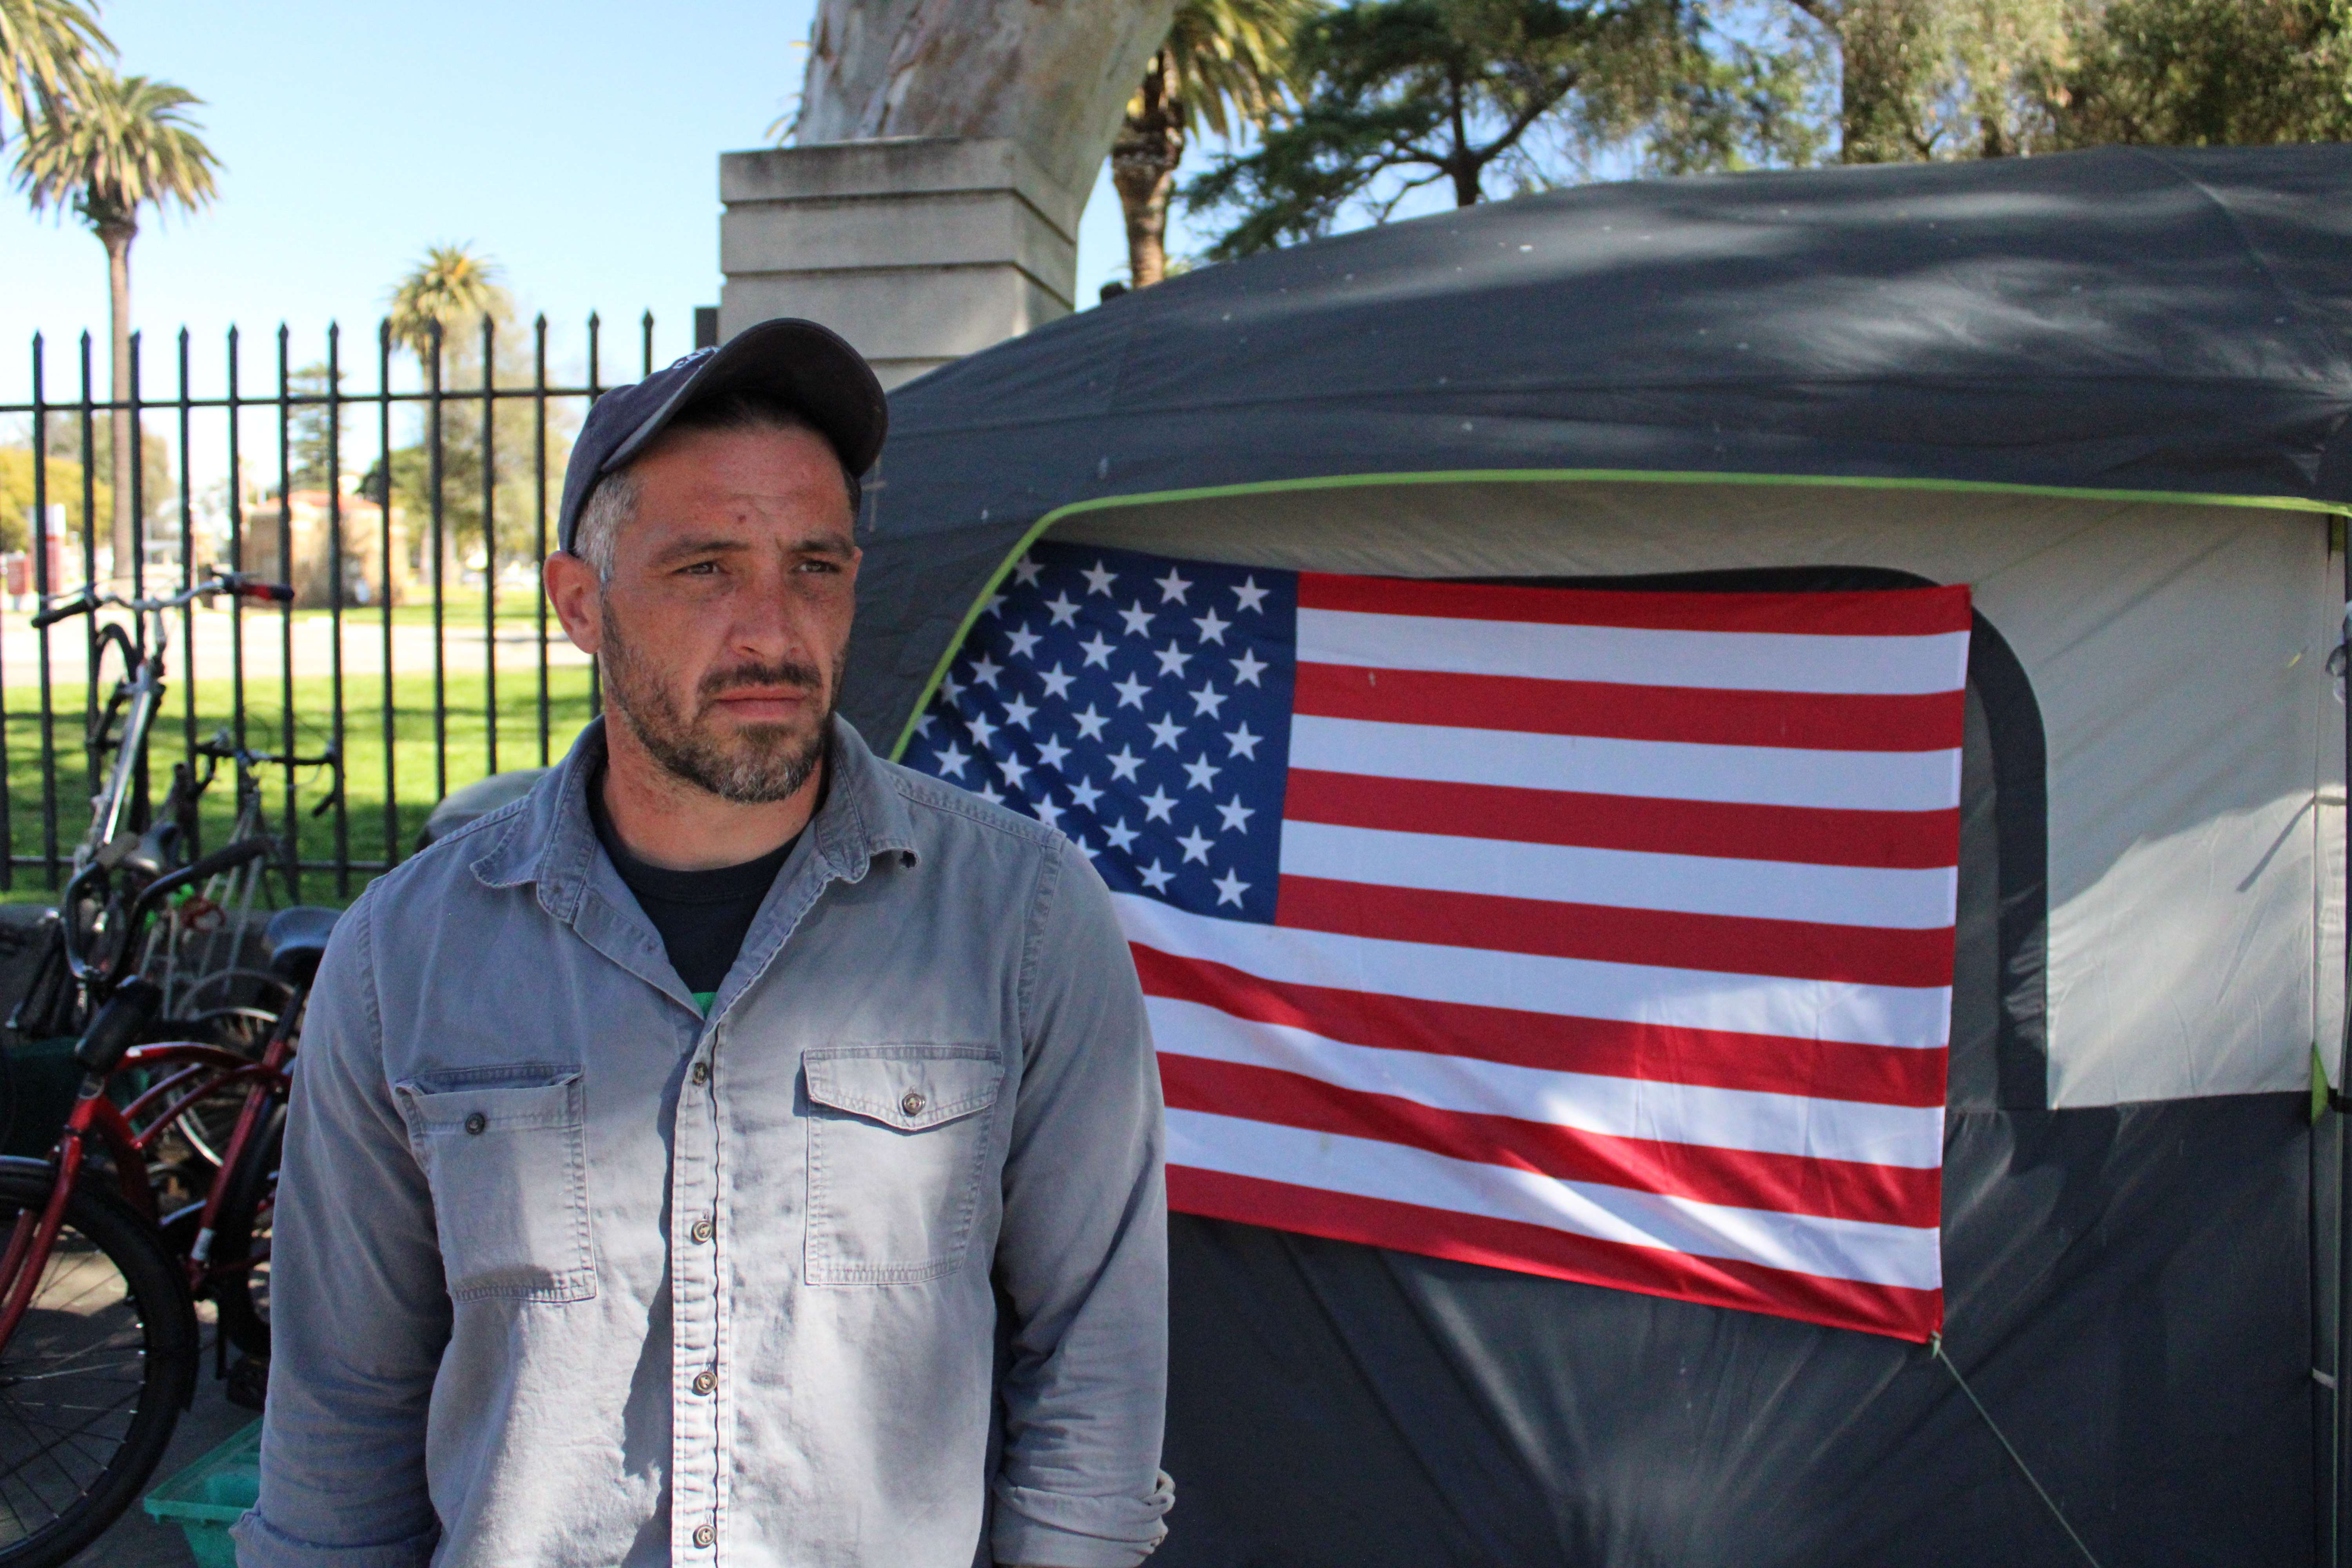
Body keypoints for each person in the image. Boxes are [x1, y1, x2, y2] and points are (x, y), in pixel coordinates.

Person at [236, 319, 1173, 1568]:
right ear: (582, 602)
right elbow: (341, 1416)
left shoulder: (1024, 916)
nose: (774, 634)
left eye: (817, 567)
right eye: (706, 570)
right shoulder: (403, 957)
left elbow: (1097, 1365)